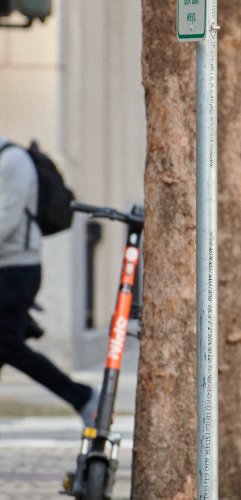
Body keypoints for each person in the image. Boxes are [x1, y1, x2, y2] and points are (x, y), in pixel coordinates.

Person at [0, 134, 97, 426]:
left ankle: (82, 397)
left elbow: (6, 222)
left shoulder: (12, 160)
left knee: (7, 345)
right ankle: (82, 398)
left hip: (17, 269)